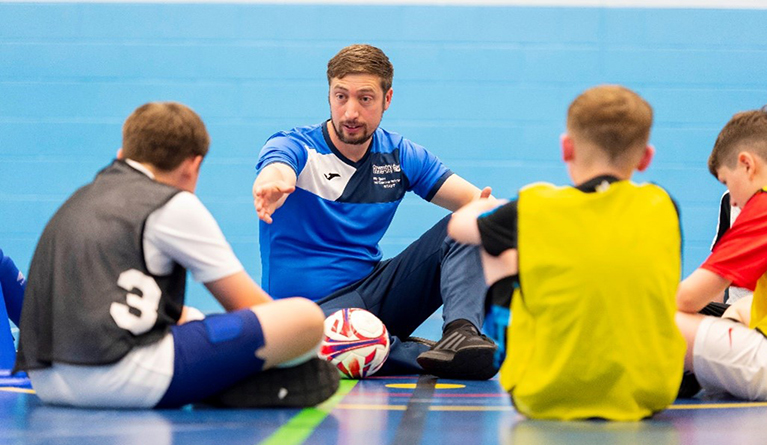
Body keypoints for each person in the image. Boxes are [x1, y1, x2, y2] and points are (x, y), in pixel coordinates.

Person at [14, 102, 339, 409]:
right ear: (193, 165)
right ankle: (220, 385)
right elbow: (252, 308)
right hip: (120, 378)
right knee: (304, 318)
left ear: (122, 154)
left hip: (46, 381)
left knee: (191, 317)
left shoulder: (79, 199)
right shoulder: (170, 203)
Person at [252, 44, 497, 379]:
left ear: (387, 99)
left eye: (364, 99)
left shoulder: (400, 155)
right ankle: (422, 354)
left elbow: (478, 203)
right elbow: (277, 166)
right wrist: (273, 182)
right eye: (341, 97)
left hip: (374, 293)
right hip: (310, 313)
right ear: (329, 97)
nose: (350, 112)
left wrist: (501, 215)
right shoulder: (296, 146)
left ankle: (461, 335)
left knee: (471, 222)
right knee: (331, 343)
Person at [447, 85, 686, 420]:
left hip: (543, 392)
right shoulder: (664, 206)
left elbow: (458, 227)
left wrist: (488, 206)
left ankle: (512, 352)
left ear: (566, 148)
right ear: (646, 157)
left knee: (496, 250)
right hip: (652, 391)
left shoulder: (536, 205)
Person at [676, 107, 767, 401]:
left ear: (747, 164)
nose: (734, 198)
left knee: (654, 315)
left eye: (728, 182)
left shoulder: (761, 205)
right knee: (735, 310)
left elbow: (686, 298)